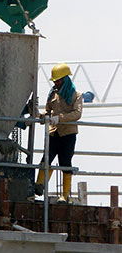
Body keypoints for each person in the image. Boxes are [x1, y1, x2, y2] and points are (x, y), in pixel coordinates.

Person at [34, 63, 83, 203]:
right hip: (53, 132)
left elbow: (77, 114)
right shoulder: (53, 94)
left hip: (68, 134)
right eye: (55, 81)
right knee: (46, 159)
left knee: (65, 162)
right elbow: (48, 111)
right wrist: (41, 115)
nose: (56, 83)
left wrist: (59, 118)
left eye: (58, 80)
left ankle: (65, 195)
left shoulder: (76, 95)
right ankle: (39, 185)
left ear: (65, 80)